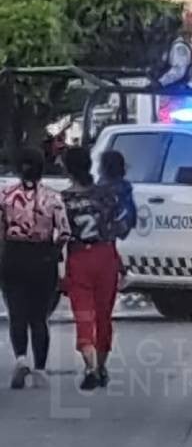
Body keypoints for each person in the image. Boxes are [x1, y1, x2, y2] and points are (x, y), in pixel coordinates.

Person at [0, 148, 70, 389]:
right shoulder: (53, 198)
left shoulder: (6, 196)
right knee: (39, 318)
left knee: (16, 313)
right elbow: (64, 232)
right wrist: (52, 254)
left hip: (13, 256)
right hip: (42, 258)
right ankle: (40, 369)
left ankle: (21, 359)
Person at [61, 147, 122, 391]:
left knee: (83, 313)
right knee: (103, 313)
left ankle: (90, 366)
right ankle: (102, 364)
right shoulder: (106, 196)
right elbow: (115, 228)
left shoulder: (64, 199)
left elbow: (60, 234)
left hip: (79, 257)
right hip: (106, 255)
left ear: (67, 169)